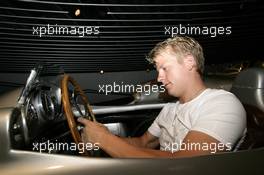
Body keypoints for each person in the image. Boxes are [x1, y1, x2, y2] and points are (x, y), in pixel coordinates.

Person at [78, 36, 246, 158]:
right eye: (158, 71)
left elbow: (188, 165)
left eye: (165, 68)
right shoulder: (170, 108)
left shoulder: (222, 104)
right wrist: (107, 136)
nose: (159, 78)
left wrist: (105, 140)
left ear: (189, 62)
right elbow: (144, 143)